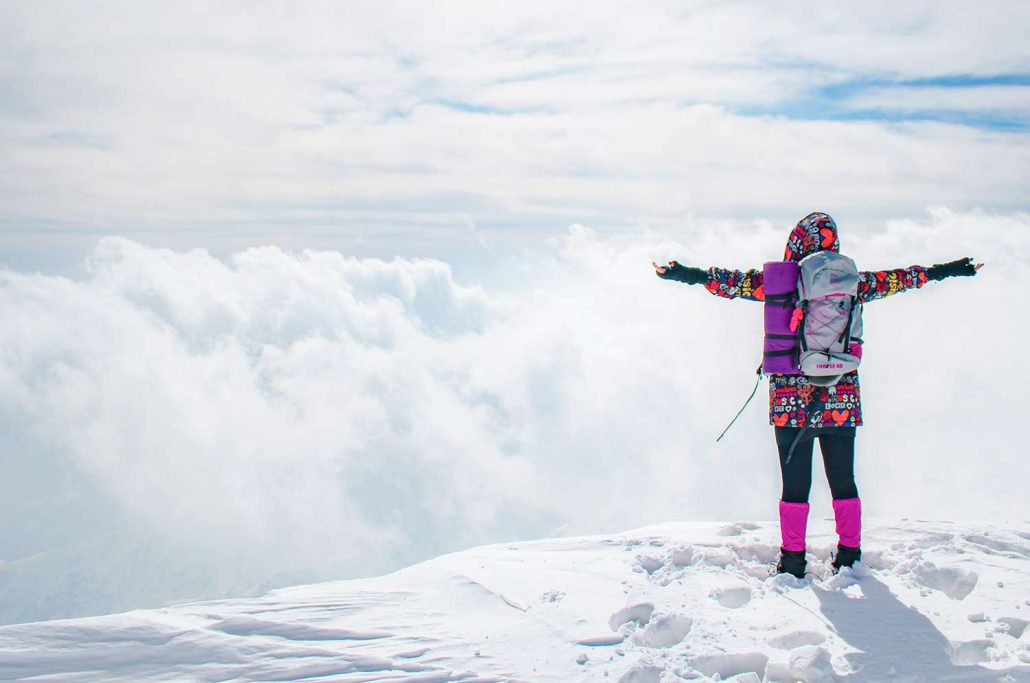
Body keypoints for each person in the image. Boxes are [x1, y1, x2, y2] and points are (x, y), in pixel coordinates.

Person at [653, 212, 981, 578]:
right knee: (844, 480)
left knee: (795, 484)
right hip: (839, 396)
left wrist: (687, 273)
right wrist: (947, 269)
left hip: (790, 400)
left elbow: (732, 283)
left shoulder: (779, 283)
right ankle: (849, 555)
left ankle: (793, 561)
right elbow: (901, 279)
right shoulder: (853, 282)